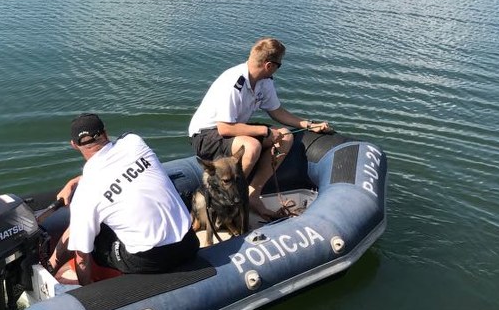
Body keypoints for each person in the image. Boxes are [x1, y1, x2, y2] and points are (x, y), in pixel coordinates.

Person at [47, 113, 199, 285]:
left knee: (89, 236)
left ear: (74, 145)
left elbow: (82, 259)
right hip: (189, 243)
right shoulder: (135, 142)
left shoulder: (86, 192)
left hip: (150, 260)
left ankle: (54, 267)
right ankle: (52, 263)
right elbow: (117, 170)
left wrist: (87, 291)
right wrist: (74, 182)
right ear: (105, 132)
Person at [188, 37, 332, 219]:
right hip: (206, 134)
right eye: (279, 65)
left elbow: (277, 111)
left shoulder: (264, 81)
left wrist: (308, 124)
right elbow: (224, 128)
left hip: (234, 129)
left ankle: (252, 195)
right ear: (269, 65)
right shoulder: (234, 83)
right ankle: (227, 200)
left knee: (285, 136)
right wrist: (264, 132)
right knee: (252, 146)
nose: (278, 69)